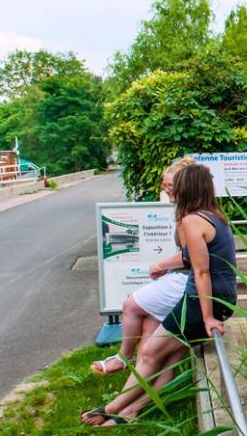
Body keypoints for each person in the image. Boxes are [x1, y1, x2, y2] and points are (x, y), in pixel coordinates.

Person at [82, 163, 237, 426]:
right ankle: (130, 411)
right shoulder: (214, 216)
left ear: (188, 188)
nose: (169, 190)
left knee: (150, 354)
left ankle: (112, 408)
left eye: (176, 185)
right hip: (218, 299)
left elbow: (201, 272)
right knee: (167, 356)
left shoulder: (191, 220)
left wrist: (208, 317)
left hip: (200, 303)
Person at [90, 157, 195, 375]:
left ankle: (122, 358)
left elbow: (189, 256)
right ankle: (142, 389)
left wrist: (160, 264)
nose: (165, 190)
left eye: (170, 186)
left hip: (186, 281)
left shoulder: (186, 214)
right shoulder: (184, 209)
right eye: (164, 185)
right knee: (148, 329)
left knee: (130, 306)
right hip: (183, 277)